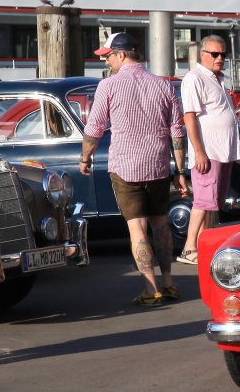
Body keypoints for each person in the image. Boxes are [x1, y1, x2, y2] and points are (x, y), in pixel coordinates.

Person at [79, 31, 188, 306]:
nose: (106, 62)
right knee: (160, 224)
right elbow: (177, 131)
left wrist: (85, 158)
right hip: (158, 165)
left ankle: (151, 289)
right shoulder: (164, 85)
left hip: (126, 167)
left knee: (137, 228)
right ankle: (168, 282)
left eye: (108, 57)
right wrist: (180, 171)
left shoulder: (108, 86)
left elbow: (94, 128)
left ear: (121, 54)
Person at [177, 33, 240, 265]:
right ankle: (188, 248)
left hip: (223, 150)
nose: (219, 58)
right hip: (208, 150)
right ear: (203, 55)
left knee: (212, 203)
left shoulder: (218, 78)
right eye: (214, 54)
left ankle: (204, 245)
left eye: (223, 54)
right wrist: (199, 151)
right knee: (203, 201)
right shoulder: (194, 78)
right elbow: (189, 117)